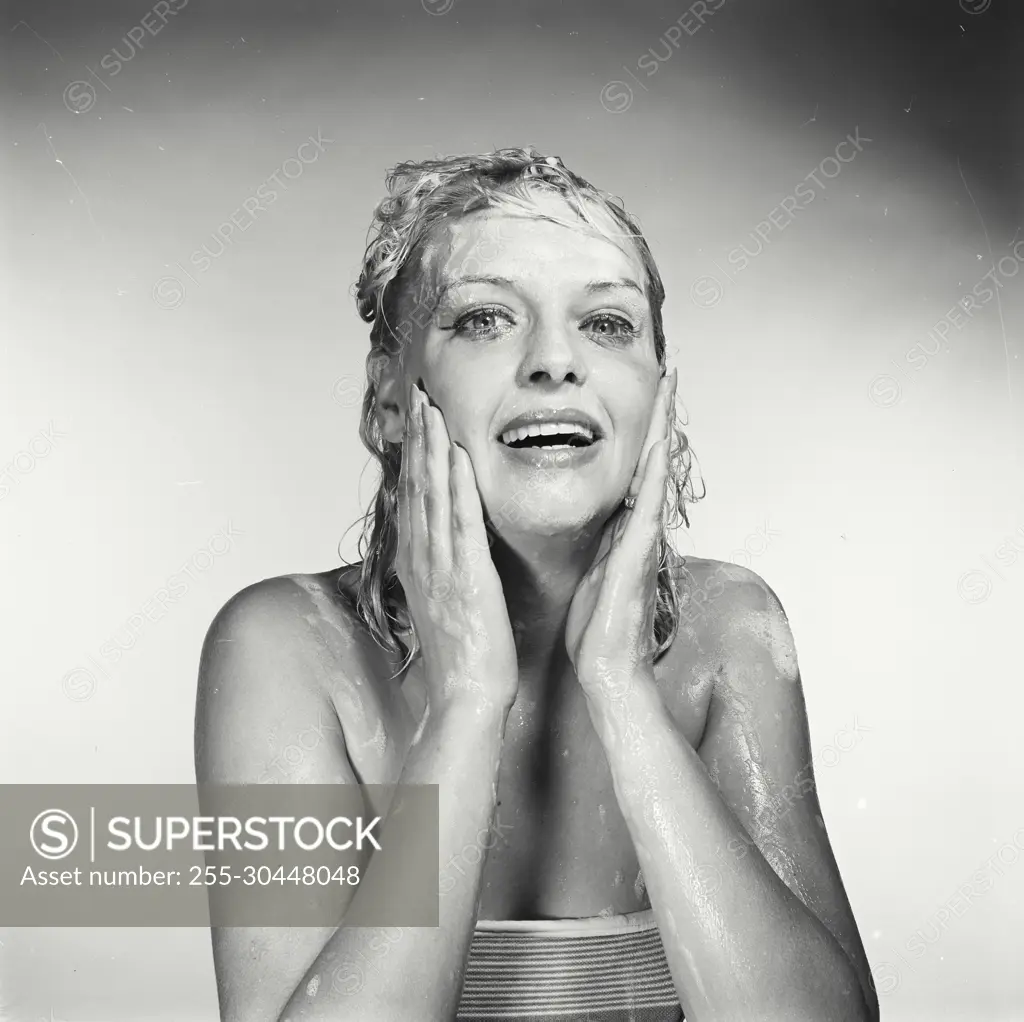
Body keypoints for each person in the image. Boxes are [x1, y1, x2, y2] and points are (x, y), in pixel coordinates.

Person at [194, 147, 879, 1021]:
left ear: (658, 394)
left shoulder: (731, 631)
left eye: (608, 324)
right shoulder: (290, 648)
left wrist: (623, 693)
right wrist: (469, 705)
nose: (555, 360)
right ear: (389, 402)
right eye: (484, 319)